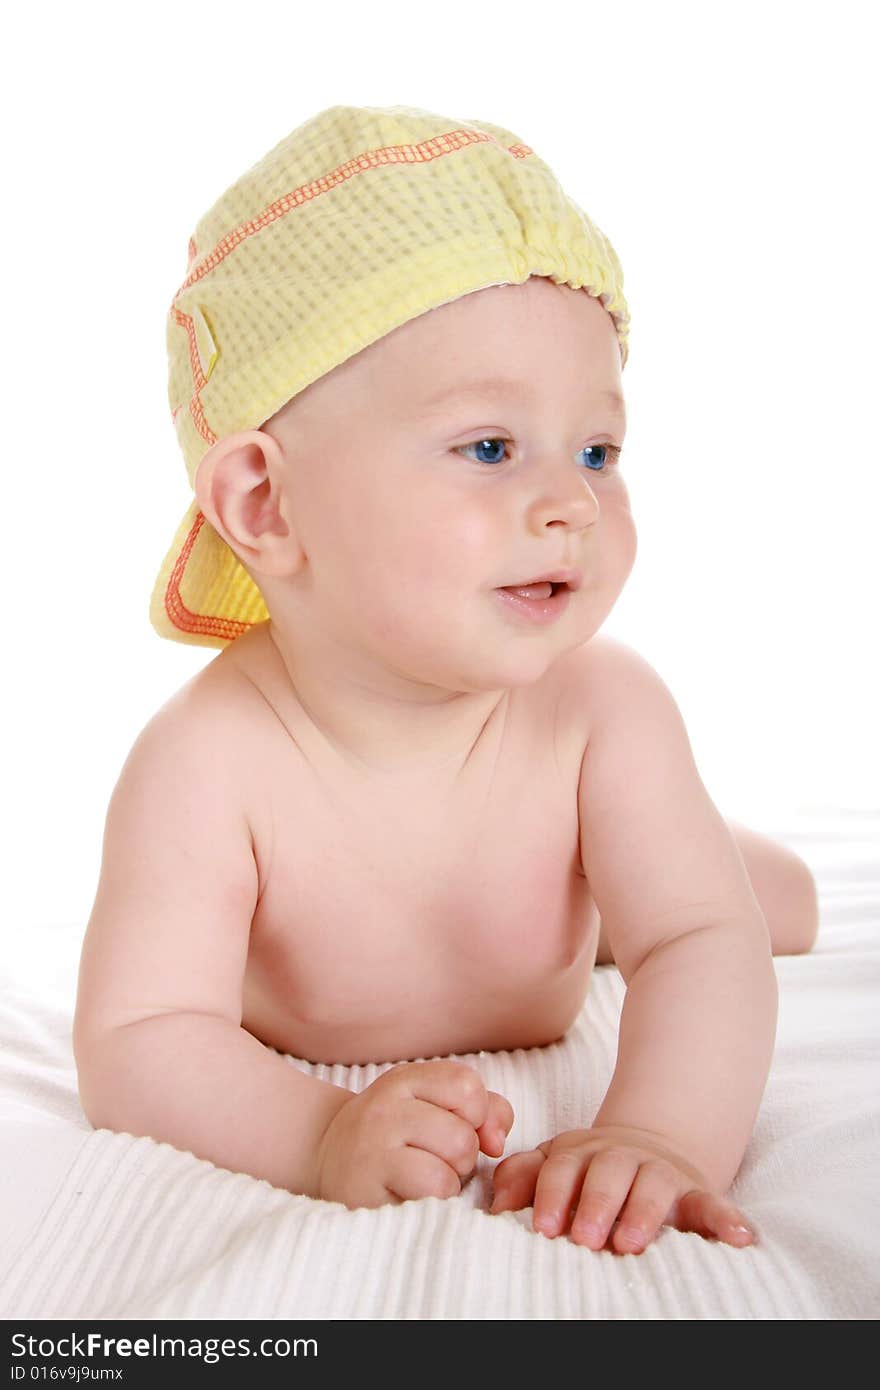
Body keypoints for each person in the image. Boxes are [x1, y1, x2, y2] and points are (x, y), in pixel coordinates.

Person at [73, 104, 819, 1256]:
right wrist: (321, 1130)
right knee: (690, 881)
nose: (571, 501)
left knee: (754, 905)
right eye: (488, 447)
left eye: (597, 451)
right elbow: (140, 1033)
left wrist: (662, 1132)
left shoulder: (600, 710)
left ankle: (672, 869)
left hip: (565, 930)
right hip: (509, 940)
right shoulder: (206, 760)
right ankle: (653, 871)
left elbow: (697, 946)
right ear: (266, 505)